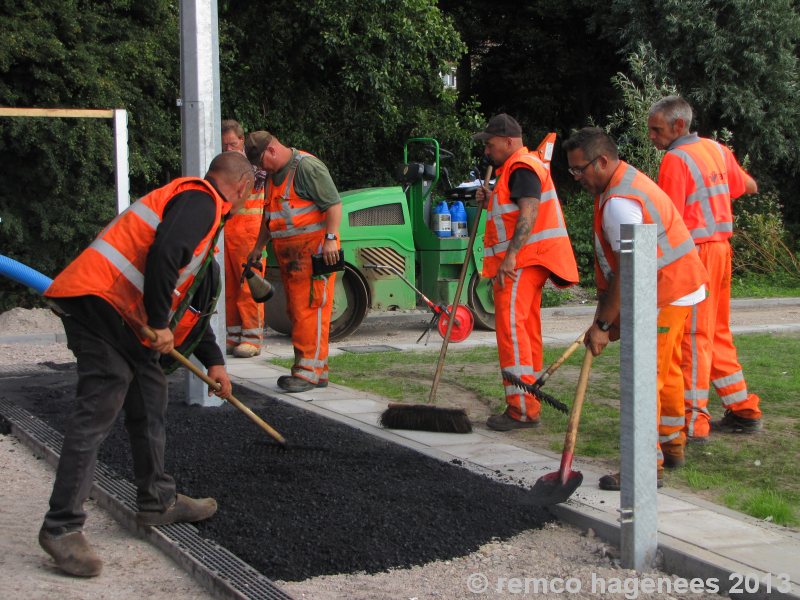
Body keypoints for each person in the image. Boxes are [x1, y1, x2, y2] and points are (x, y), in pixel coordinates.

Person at [40, 151, 255, 577]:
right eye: (252, 193)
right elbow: (163, 256)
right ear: (243, 186)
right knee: (96, 414)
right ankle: (61, 528)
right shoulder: (202, 200)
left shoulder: (199, 217)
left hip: (125, 322)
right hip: (104, 311)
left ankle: (157, 501)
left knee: (151, 401)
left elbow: (188, 311)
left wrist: (215, 363)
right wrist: (157, 324)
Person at [563, 127, 708, 489]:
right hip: (681, 285)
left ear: (603, 161)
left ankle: (644, 467)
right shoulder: (623, 182)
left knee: (644, 377)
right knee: (668, 371)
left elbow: (626, 273)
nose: (576, 177)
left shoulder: (619, 204)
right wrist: (609, 320)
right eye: (572, 171)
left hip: (663, 290)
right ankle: (673, 446)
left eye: (580, 169)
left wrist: (604, 323)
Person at [648, 96, 762, 440]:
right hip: (722, 250)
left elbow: (667, 220)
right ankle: (743, 407)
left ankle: (694, 417)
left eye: (657, 129)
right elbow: (749, 186)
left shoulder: (675, 159)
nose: (652, 136)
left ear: (679, 126)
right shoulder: (715, 149)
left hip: (695, 253)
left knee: (693, 335)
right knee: (716, 331)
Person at [473, 114, 579, 431]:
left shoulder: (521, 167)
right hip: (530, 262)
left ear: (508, 141)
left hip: (521, 263)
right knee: (526, 331)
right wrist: (491, 198)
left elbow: (529, 211)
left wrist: (511, 257)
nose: (487, 152)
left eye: (490, 145)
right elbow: (513, 208)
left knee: (512, 332)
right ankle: (527, 400)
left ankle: (521, 408)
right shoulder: (517, 169)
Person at [245, 130, 342, 393]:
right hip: (293, 259)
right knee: (298, 313)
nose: (260, 168)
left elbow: (333, 205)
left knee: (310, 311)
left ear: (272, 150)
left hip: (316, 255)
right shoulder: (273, 177)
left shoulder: (306, 168)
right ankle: (315, 369)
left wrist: (331, 239)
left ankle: (308, 372)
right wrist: (258, 247)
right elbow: (270, 216)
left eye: (261, 161)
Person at [221, 119, 267, 358]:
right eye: (225, 146)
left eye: (232, 144)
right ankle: (233, 334)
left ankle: (252, 337)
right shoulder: (223, 167)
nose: (229, 149)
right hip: (228, 234)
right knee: (229, 288)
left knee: (249, 287)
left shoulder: (255, 168)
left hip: (250, 235)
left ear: (241, 140)